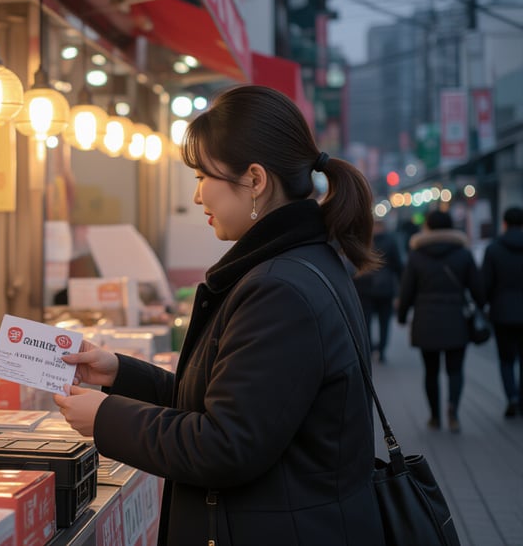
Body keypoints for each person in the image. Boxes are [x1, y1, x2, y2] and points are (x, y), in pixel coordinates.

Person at [52, 85, 384, 545]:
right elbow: (224, 401)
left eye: (202, 177)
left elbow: (226, 444)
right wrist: (118, 373)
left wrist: (106, 417)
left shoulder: (278, 288)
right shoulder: (298, 263)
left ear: (254, 180)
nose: (196, 197)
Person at [397, 210, 483, 433]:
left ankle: (434, 417)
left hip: (426, 319)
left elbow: (406, 290)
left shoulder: (416, 255)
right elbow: (477, 288)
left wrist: (402, 315)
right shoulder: (463, 253)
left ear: (427, 226)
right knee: (455, 369)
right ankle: (453, 409)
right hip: (456, 317)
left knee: (431, 371)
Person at [481, 206, 523, 418]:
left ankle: (512, 398)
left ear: (504, 223)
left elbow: (485, 284)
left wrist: (485, 304)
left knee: (506, 359)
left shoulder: (494, 248)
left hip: (503, 312)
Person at [354, 219, 403, 362]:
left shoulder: (363, 242)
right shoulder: (391, 241)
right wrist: (399, 290)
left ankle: (368, 349)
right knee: (384, 321)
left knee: (366, 321)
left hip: (364, 286)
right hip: (385, 287)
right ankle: (382, 350)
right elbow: (398, 266)